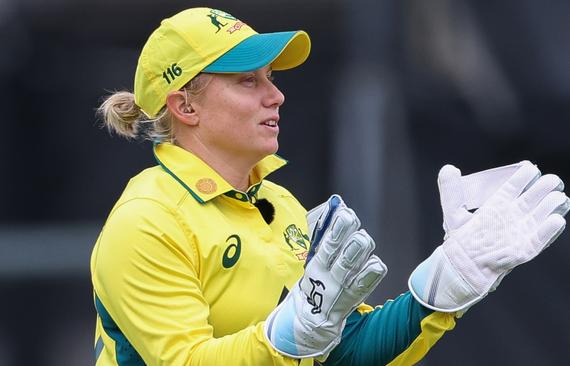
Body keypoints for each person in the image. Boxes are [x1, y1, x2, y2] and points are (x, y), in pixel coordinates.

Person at [90, 7, 569, 366]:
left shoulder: (278, 203)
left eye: (270, 78)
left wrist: (441, 291)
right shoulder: (147, 220)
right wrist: (285, 339)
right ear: (185, 107)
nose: (274, 95)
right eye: (245, 81)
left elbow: (342, 351)